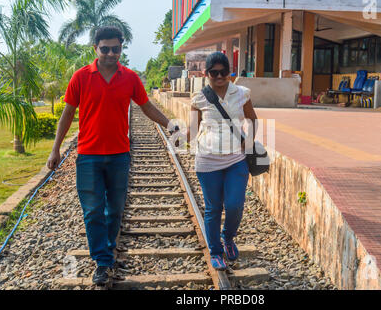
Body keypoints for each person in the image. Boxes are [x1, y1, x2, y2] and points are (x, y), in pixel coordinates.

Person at [47, 26, 179, 286]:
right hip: (88, 156)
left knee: (115, 210)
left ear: (121, 48)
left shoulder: (129, 77)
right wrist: (55, 149)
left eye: (115, 49)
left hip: (119, 155)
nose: (110, 53)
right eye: (104, 49)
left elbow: (147, 106)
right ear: (95, 48)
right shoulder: (81, 77)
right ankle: (102, 260)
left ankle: (105, 251)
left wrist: (170, 125)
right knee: (93, 211)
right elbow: (67, 114)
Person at [187, 52, 258, 270]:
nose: (219, 76)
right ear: (206, 74)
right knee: (213, 208)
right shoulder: (199, 98)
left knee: (235, 205)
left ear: (230, 72)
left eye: (223, 72)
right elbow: (191, 131)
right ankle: (216, 252)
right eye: (214, 73)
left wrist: (249, 142)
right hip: (208, 161)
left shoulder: (241, 93)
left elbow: (252, 119)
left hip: (236, 158)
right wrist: (187, 138)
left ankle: (227, 237)